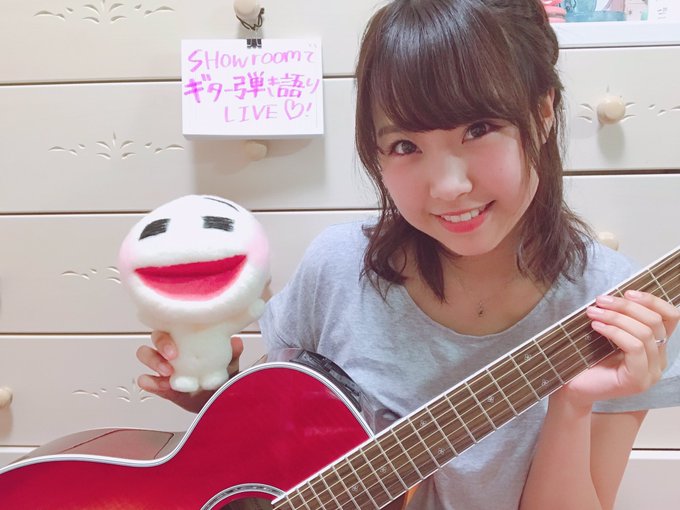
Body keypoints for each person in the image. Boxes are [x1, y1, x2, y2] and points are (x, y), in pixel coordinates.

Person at [137, 0, 680, 508]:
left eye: (479, 129)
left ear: (542, 115)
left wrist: (572, 404)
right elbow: (272, 452)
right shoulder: (338, 270)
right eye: (405, 146)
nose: (447, 186)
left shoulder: (615, 306)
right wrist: (209, 392)